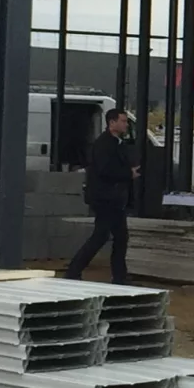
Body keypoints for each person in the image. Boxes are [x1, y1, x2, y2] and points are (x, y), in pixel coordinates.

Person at [64, 109, 136, 283]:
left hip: (114, 198)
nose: (126, 125)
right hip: (104, 198)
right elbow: (105, 170)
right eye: (123, 121)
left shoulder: (117, 143)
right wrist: (128, 173)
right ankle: (74, 271)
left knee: (119, 237)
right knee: (102, 235)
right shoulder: (104, 144)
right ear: (112, 123)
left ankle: (119, 277)